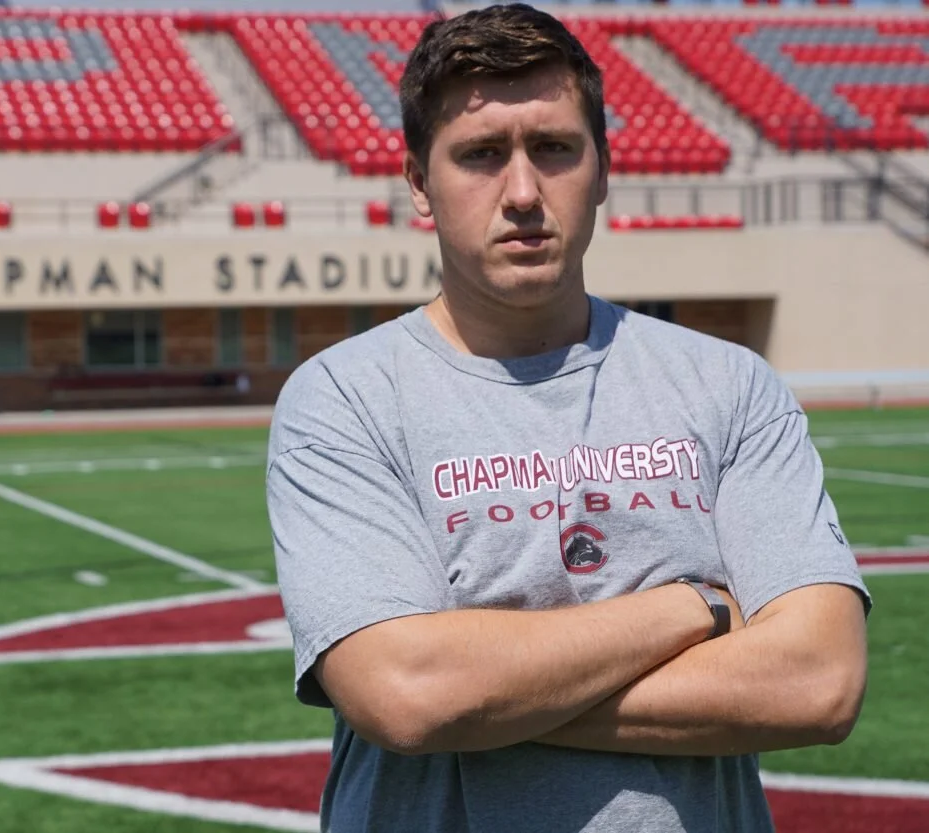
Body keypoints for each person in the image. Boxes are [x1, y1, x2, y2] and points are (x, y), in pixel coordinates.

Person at [264, 5, 871, 832]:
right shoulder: (343, 398)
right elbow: (405, 694)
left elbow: (818, 682)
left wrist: (486, 695)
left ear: (604, 168)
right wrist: (696, 608)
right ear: (418, 184)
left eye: (553, 148)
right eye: (481, 155)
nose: (522, 192)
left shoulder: (729, 384)